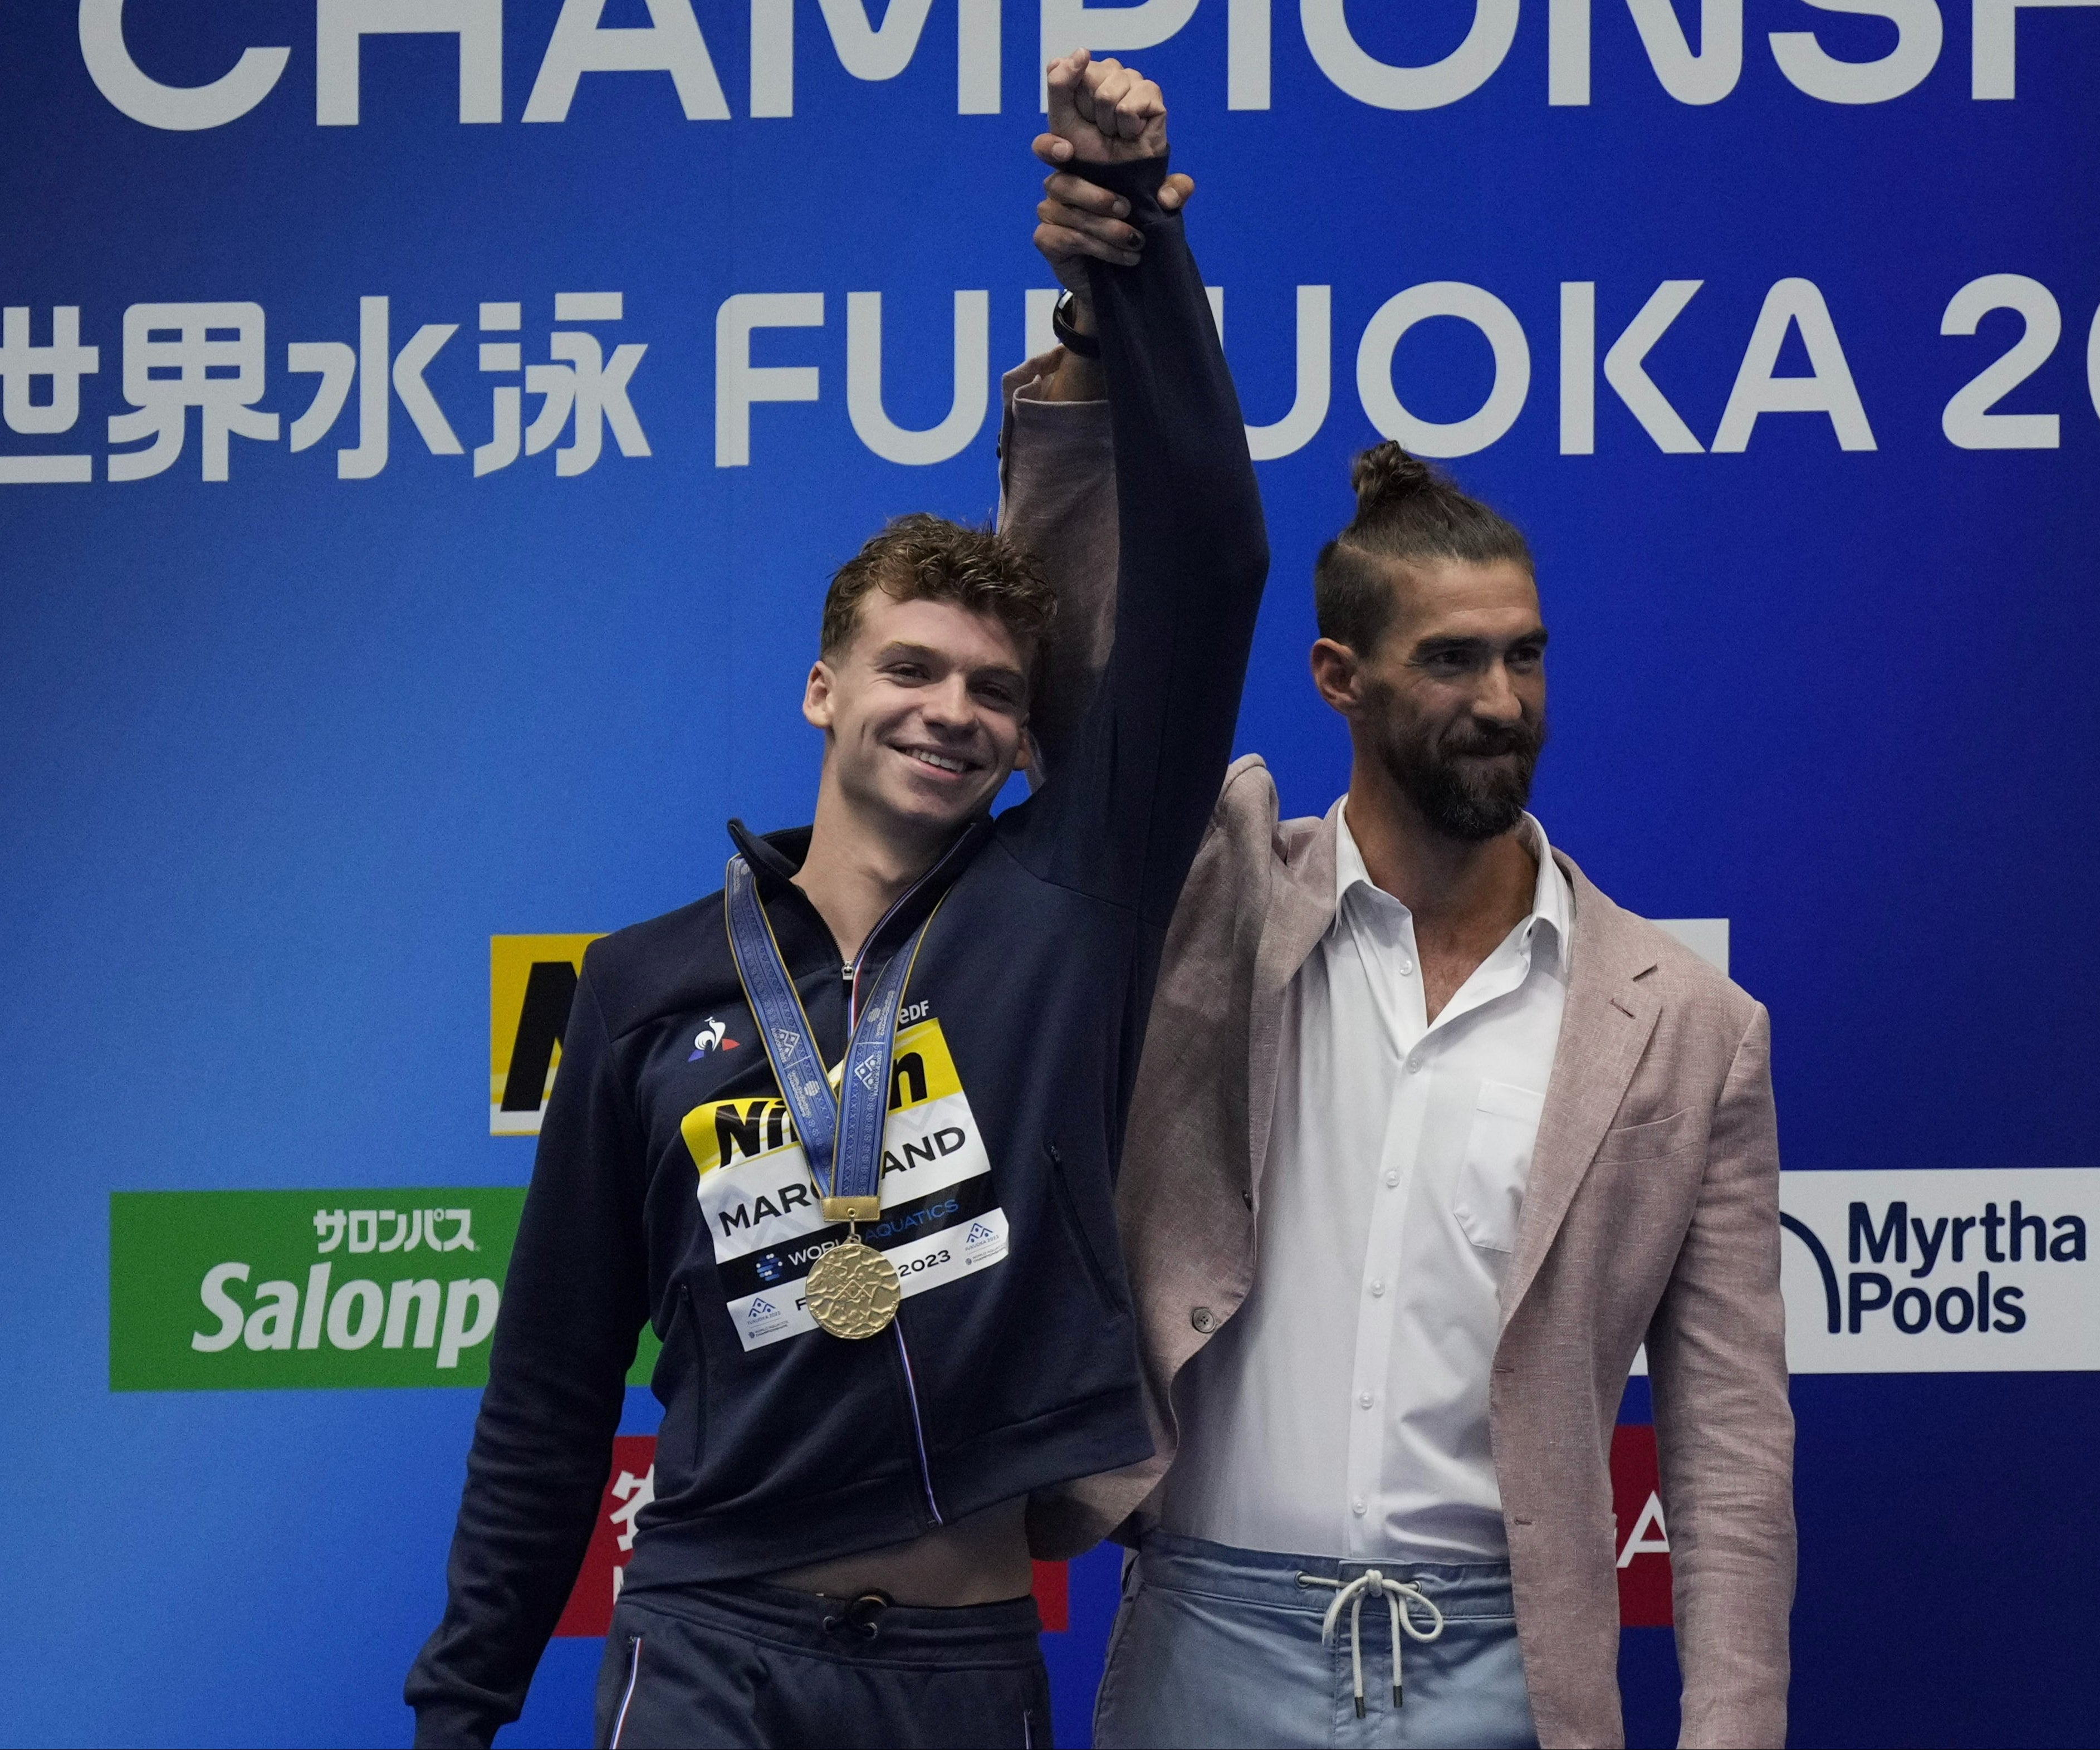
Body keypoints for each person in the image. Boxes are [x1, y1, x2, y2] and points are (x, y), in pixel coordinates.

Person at [403, 53, 1266, 1750]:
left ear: (1027, 739)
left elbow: (1217, 559)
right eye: (912, 667)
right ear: (822, 689)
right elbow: (556, 1385)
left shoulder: (1066, 901)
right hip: (711, 1640)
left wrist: (1130, 271)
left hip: (961, 1666)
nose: (952, 710)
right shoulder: (647, 986)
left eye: (995, 692)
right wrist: (461, 1712)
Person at [1010, 185, 1795, 1749]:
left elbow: (1726, 1437)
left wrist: (1732, 1732)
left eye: (1526, 654)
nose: (1502, 701)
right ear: (1338, 679)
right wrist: (1102, 337)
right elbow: (1082, 675)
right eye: (1451, 661)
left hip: (1512, 1666)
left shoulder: (1688, 1028)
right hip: (1206, 1644)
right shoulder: (1215, 900)